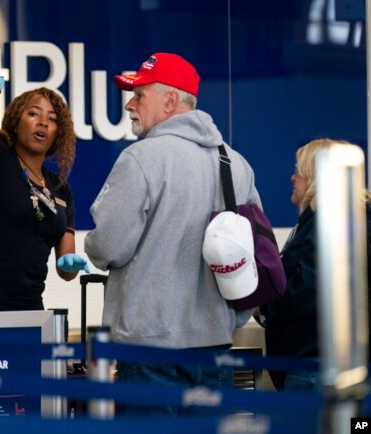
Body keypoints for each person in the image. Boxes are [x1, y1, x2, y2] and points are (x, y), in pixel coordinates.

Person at [84, 53, 261, 404]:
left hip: (150, 352)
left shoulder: (141, 158)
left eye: (139, 95)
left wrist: (90, 243)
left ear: (169, 101)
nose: (130, 104)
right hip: (216, 348)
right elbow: (254, 251)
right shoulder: (236, 164)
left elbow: (107, 247)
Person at [0, 72, 89, 312]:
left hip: (29, 305)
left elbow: (66, 272)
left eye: (52, 119)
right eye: (33, 113)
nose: (42, 122)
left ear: (57, 133)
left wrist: (69, 265)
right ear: (15, 122)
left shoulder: (61, 188)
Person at [260, 138, 368, 391]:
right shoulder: (341, 221)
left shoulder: (328, 226)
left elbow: (307, 294)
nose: (292, 177)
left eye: (298, 170)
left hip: (314, 372)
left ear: (316, 178)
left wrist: (266, 303)